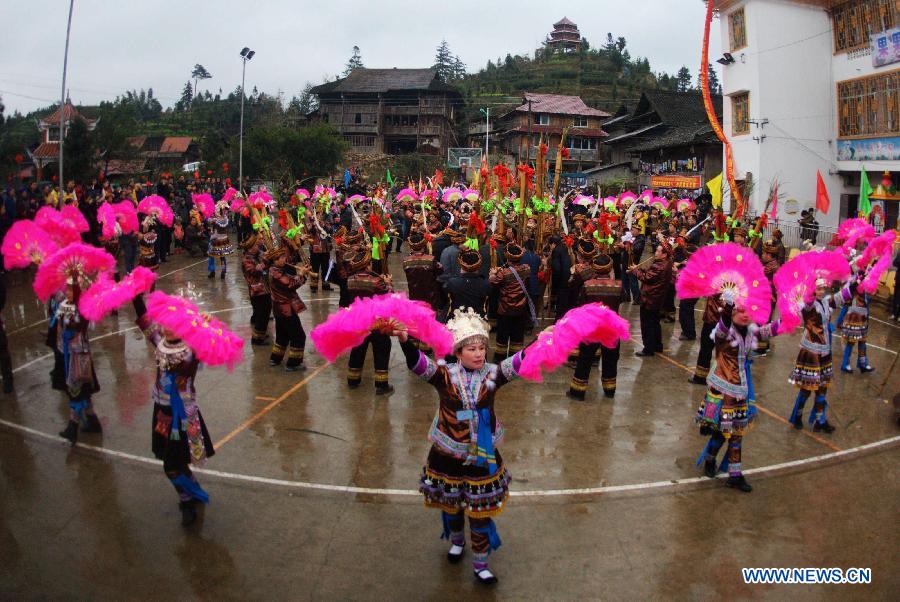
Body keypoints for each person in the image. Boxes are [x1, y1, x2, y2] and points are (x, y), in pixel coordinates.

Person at [391, 307, 531, 585]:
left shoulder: (493, 374)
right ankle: (456, 541)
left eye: (482, 348)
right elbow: (418, 365)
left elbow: (517, 363)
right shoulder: (443, 374)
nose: (479, 354)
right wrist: (405, 342)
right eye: (472, 349)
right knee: (452, 504)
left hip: (482, 453)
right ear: (457, 352)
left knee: (479, 512)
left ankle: (481, 564)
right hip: (447, 451)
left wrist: (542, 343)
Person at [133, 294, 216, 526]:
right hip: (162, 412)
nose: (168, 329)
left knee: (173, 464)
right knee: (172, 462)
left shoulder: (191, 351)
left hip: (184, 415)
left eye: (175, 325)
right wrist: (135, 294)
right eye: (166, 324)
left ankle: (189, 497)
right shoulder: (159, 341)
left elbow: (199, 351)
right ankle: (189, 495)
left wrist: (203, 327)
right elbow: (142, 318)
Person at [694, 288, 778, 492]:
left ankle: (734, 474)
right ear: (732, 313)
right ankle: (711, 459)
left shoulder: (751, 332)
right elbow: (721, 327)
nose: (745, 314)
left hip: (741, 389)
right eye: (740, 311)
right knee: (723, 433)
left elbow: (769, 330)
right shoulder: (724, 333)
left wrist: (792, 313)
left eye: (748, 311)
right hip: (723, 391)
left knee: (737, 433)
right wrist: (728, 305)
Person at [788, 278, 853, 433]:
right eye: (818, 289)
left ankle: (820, 420)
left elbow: (842, 296)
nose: (822, 291)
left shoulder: (826, 302)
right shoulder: (808, 306)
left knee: (823, 387)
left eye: (823, 288)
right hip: (811, 352)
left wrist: (859, 278)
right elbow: (807, 302)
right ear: (812, 290)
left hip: (825, 351)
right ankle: (797, 416)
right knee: (807, 388)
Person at [566, 253, 624, 400]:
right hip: (611, 329)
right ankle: (609, 390)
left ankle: (578, 392)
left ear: (595, 268)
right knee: (610, 360)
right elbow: (623, 300)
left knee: (584, 359)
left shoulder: (587, 286)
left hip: (592, 329)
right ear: (610, 268)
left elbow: (580, 305)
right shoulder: (618, 285)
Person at [345, 250, 394, 393]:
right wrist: (388, 284)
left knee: (358, 349)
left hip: (359, 320)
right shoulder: (375, 281)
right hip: (376, 322)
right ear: (367, 265)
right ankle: (381, 385)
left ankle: (353, 380)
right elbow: (388, 297)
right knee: (382, 349)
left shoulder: (350, 280)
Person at [266, 240, 309, 371]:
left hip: (280, 309)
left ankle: (275, 358)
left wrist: (302, 275)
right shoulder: (276, 272)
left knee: (282, 335)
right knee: (299, 336)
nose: (285, 259)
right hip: (285, 309)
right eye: (282, 258)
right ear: (275, 260)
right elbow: (290, 284)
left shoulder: (277, 269)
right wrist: (301, 275)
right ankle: (293, 363)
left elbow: (292, 278)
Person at [489, 243, 532, 362]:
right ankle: (515, 361)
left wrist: (493, 274)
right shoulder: (527, 268)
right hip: (521, 308)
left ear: (508, 258)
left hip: (505, 309)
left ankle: (500, 360)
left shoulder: (503, 273)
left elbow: (492, 284)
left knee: (502, 336)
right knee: (517, 336)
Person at [630, 241, 672, 356]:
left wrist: (635, 271)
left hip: (650, 298)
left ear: (664, 254)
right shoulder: (666, 262)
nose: (656, 252)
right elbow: (650, 274)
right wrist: (640, 269)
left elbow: (646, 278)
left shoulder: (660, 265)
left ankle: (648, 349)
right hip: (657, 298)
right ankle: (657, 345)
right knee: (655, 323)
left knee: (647, 324)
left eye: (658, 251)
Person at [240, 233, 272, 346]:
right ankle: (257, 339)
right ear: (250, 248)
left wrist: (268, 258)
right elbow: (254, 270)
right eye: (255, 246)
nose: (257, 247)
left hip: (265, 288)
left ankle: (261, 333)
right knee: (261, 314)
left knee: (266, 311)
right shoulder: (246, 259)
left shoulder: (257, 255)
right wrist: (264, 263)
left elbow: (266, 261)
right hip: (257, 291)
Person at [444, 250, 490, 319]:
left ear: (461, 264)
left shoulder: (452, 282)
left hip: (456, 321)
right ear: (479, 265)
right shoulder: (486, 283)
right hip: (479, 321)